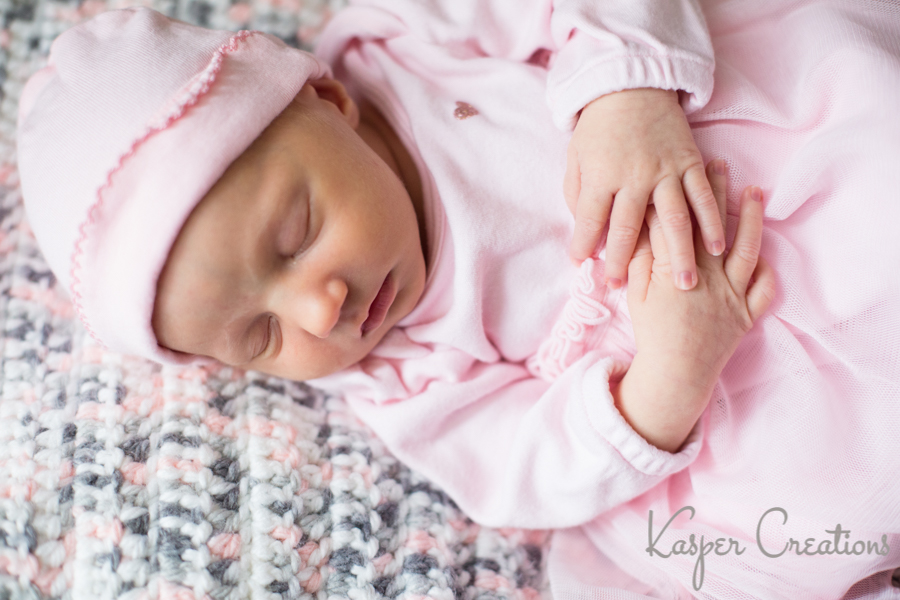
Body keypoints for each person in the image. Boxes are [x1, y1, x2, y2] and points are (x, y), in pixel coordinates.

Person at [14, 1, 900, 598]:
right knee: (762, 538)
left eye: (295, 234)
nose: (319, 310)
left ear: (323, 102)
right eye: (260, 334)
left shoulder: (413, 43)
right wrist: (670, 378)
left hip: (763, 167)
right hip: (724, 384)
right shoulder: (399, 383)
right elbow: (519, 464)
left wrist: (623, 96)